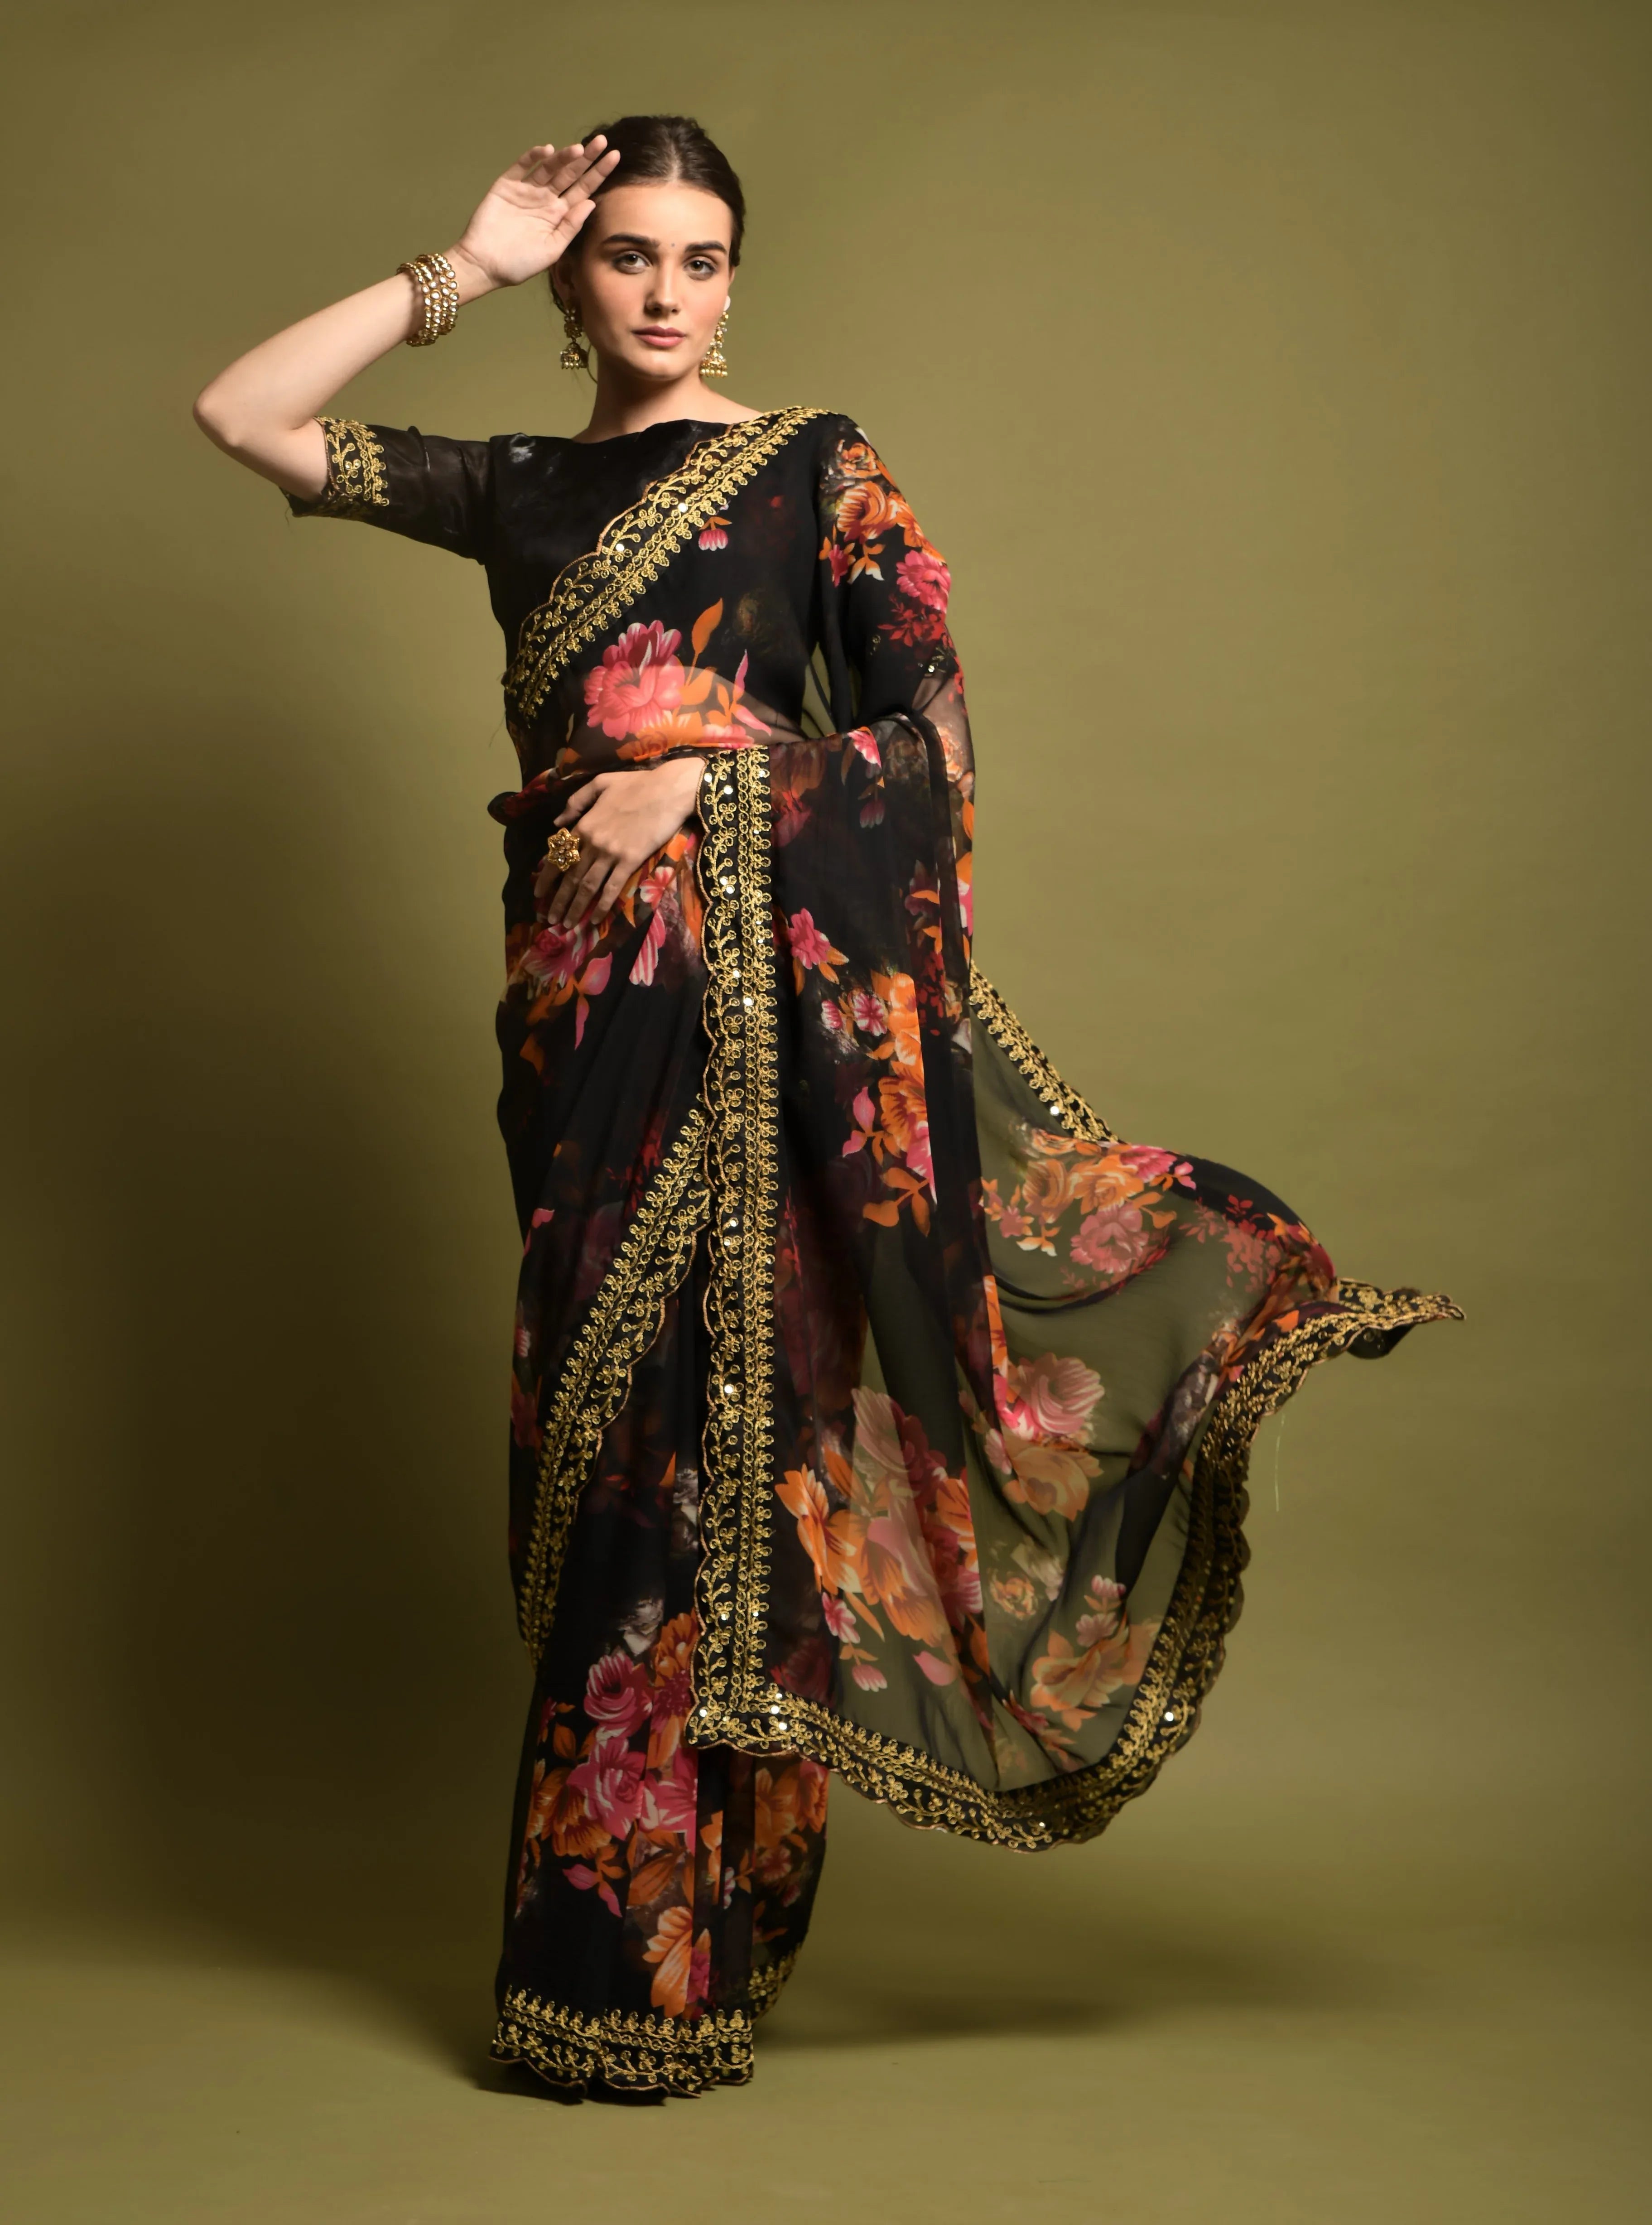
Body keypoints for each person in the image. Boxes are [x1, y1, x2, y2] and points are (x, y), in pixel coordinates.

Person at [194, 114, 1457, 2100]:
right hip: (582, 1021)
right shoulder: (523, 486)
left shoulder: (813, 473)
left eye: (702, 257)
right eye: (626, 256)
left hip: (769, 1009)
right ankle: (643, 1936)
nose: (667, 291)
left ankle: (671, 1959)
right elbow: (241, 413)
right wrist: (467, 262)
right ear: (582, 277)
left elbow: (929, 745)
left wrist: (697, 790)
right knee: (607, 1443)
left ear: (737, 277)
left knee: (743, 1432)